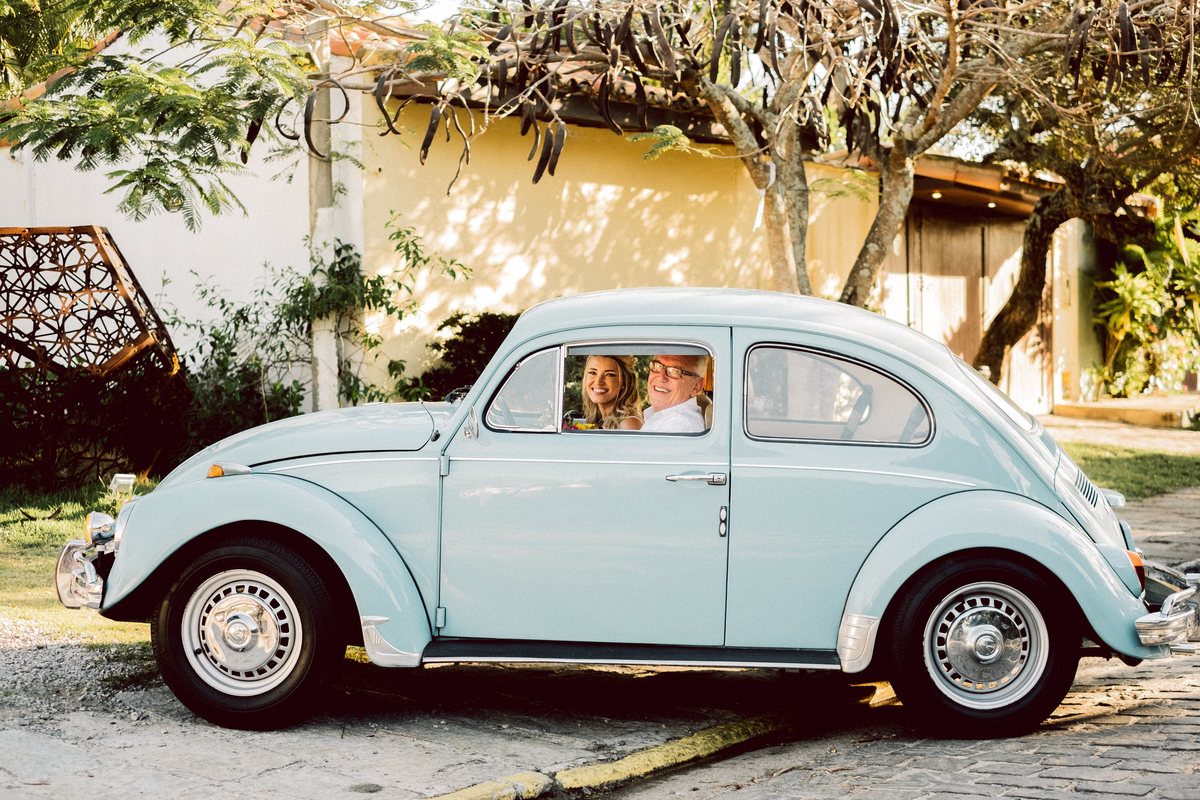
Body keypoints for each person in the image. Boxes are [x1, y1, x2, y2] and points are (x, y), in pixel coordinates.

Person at [641, 353, 708, 433]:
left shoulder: (679, 425)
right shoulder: (667, 418)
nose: (661, 377)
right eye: (657, 366)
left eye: (675, 371)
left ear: (696, 386)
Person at [581, 354, 643, 430]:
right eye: (593, 373)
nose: (598, 382)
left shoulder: (629, 423)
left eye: (609, 375)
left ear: (625, 382)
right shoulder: (598, 418)